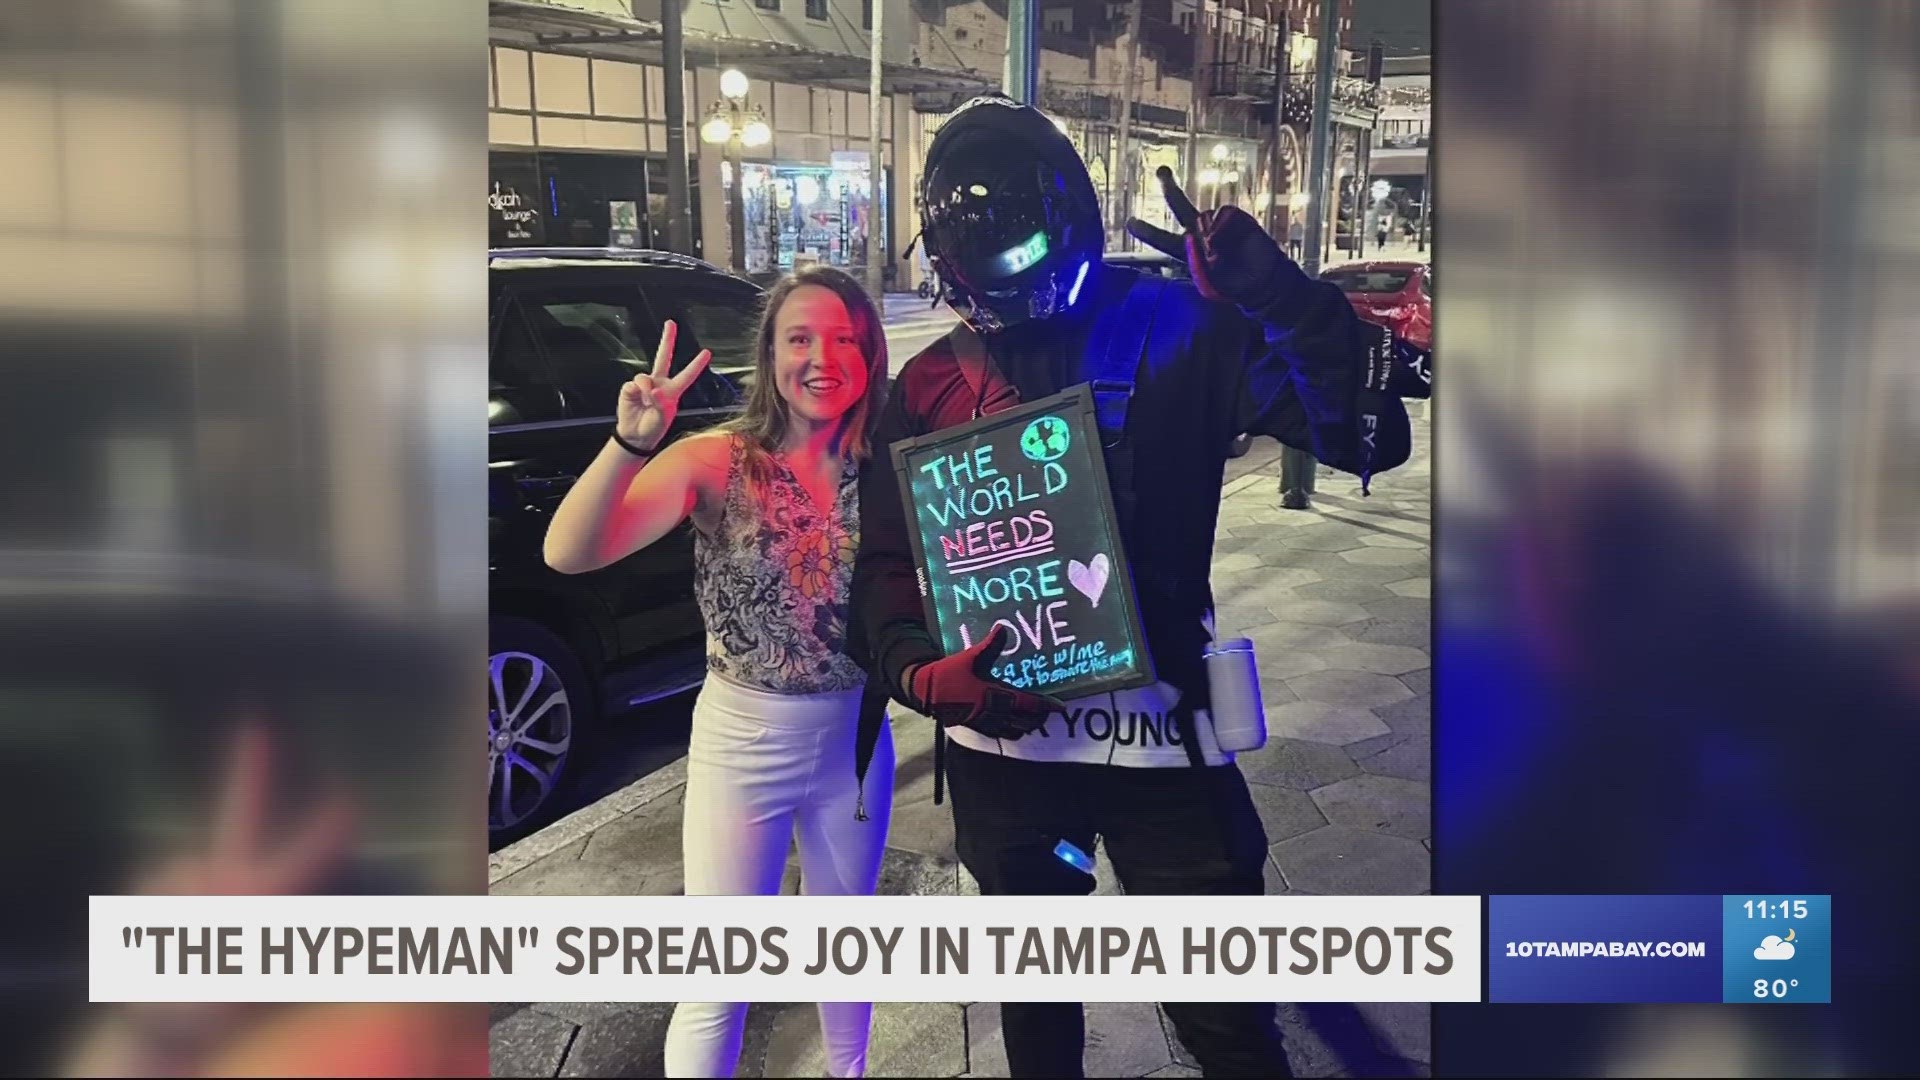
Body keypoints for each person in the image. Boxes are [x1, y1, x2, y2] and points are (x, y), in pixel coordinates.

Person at [849, 94, 1414, 1078]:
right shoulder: (930, 384)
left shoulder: (1180, 326)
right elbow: (887, 570)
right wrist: (918, 675)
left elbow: (1370, 434)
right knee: (1036, 1023)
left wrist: (1278, 295)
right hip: (1005, 758)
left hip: (1166, 756)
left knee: (1228, 1027)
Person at [543, 265, 894, 1079]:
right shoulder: (716, 462)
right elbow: (570, 551)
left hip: (857, 739)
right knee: (719, 975)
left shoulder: (889, 468)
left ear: (870, 355)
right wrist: (631, 443)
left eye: (845, 339)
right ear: (769, 355)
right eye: (799, 337)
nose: (822, 357)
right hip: (743, 745)